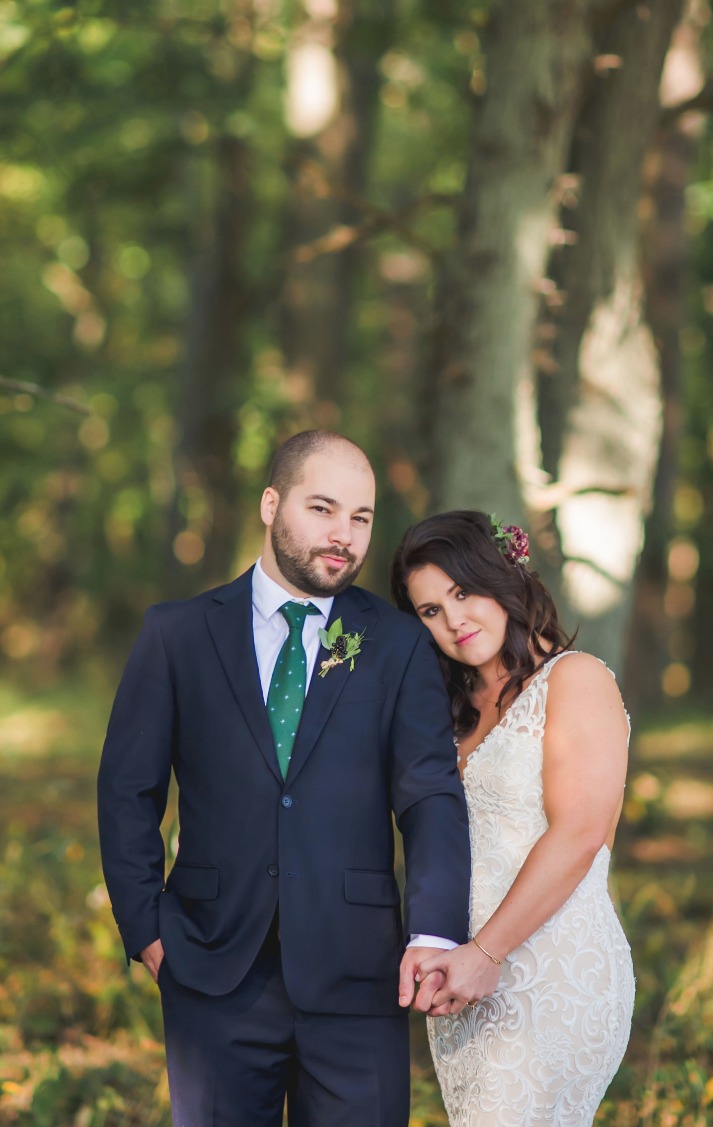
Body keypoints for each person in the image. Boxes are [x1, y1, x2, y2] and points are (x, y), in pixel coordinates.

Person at [97, 431, 471, 1127]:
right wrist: (145, 925)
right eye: (323, 508)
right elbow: (128, 790)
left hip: (359, 973)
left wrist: (436, 930)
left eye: (360, 517)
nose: (344, 535)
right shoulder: (175, 634)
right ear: (271, 503)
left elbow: (429, 794)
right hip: (210, 966)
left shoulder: (396, 644)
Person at [391, 510, 635, 1127]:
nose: (454, 621)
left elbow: (580, 831)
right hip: (468, 982)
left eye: (463, 592)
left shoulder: (576, 680)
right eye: (430, 611)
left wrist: (485, 953)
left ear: (502, 578)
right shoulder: (445, 713)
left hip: (553, 969)